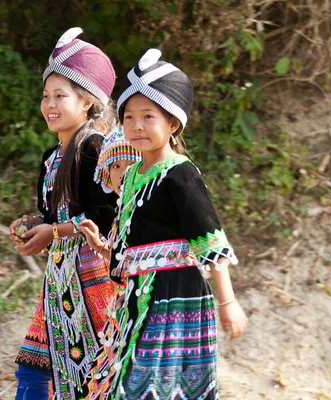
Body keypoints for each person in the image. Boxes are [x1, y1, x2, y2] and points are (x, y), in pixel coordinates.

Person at [86, 49, 248, 400]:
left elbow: (209, 238)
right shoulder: (130, 177)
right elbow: (133, 234)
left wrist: (228, 302)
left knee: (153, 388)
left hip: (175, 299)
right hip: (134, 298)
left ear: (173, 123)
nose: (137, 126)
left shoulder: (181, 173)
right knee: (123, 384)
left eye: (148, 116)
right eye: (129, 117)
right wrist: (108, 249)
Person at [9, 27, 119, 400]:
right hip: (59, 284)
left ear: (86, 102)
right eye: (45, 96)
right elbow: (53, 214)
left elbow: (104, 214)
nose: (49, 104)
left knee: (85, 378)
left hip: (95, 283)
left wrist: (54, 232)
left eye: (60, 95)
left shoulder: (97, 149)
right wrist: (32, 224)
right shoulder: (51, 157)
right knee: (35, 370)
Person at [78, 125, 142, 259]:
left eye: (132, 164)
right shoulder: (120, 214)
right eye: (116, 166)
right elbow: (125, 262)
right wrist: (97, 245)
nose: (123, 174)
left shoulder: (159, 203)